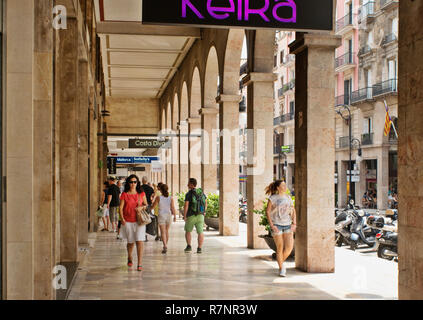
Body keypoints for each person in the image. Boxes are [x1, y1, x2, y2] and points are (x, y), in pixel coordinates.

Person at [265, 180, 296, 277]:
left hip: (287, 224)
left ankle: (281, 262)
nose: (285, 186)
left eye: (285, 185)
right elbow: (268, 211)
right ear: (278, 187)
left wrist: (294, 223)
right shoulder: (273, 198)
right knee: (280, 247)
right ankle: (282, 268)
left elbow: (293, 210)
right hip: (277, 225)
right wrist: (272, 225)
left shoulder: (288, 197)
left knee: (289, 248)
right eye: (282, 185)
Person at [119, 175, 148, 271]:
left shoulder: (141, 193)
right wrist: (122, 218)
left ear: (137, 183)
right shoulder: (124, 194)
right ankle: (130, 256)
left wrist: (142, 207)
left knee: (139, 241)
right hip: (127, 221)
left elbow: (146, 205)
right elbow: (121, 208)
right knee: (130, 242)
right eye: (131, 182)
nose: (133, 184)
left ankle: (140, 263)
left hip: (139, 221)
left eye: (135, 182)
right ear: (128, 183)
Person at [183, 178, 207, 254]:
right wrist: (204, 211)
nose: (187, 185)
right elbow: (205, 203)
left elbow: (186, 205)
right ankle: (199, 248)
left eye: (188, 183)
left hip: (191, 215)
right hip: (200, 215)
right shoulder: (201, 193)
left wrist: (185, 215)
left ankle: (189, 246)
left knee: (188, 231)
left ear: (192, 184)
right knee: (200, 232)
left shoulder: (188, 194)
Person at [152, 183, 177, 254]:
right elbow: (172, 207)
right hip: (168, 215)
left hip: (161, 215)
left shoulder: (158, 198)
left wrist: (148, 209)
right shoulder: (171, 198)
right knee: (166, 231)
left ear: (161, 190)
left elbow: (153, 206)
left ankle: (165, 245)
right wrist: (174, 216)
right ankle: (166, 245)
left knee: (162, 232)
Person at [141, 176, 155, 241]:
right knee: (147, 219)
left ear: (142, 180)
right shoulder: (150, 188)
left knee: (142, 220)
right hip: (148, 205)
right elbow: (152, 196)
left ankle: (143, 235)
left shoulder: (140, 188)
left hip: (141, 206)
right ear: (147, 181)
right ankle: (146, 233)